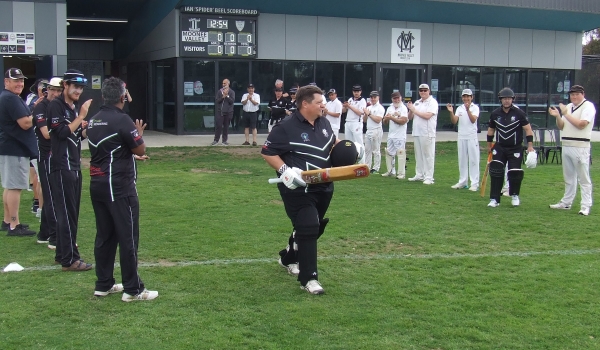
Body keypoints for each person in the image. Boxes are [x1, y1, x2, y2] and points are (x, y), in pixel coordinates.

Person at [261, 84, 338, 295]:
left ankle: (289, 257)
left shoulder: (324, 123)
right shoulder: (285, 126)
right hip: (297, 188)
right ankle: (309, 279)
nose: (324, 105)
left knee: (311, 227)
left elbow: (332, 145)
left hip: (324, 186)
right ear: (305, 104)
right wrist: (284, 170)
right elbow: (267, 152)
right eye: (319, 102)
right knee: (308, 225)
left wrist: (348, 149)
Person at [87, 77, 158, 302]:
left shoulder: (94, 120)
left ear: (102, 97)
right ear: (122, 97)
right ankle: (132, 289)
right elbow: (139, 147)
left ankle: (103, 284)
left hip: (97, 184)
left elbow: (113, 149)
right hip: (118, 186)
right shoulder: (122, 120)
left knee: (105, 236)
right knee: (128, 237)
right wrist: (138, 134)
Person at [47, 69, 93, 270]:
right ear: (65, 85)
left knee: (72, 213)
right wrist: (80, 116)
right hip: (61, 166)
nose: (78, 91)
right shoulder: (55, 106)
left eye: (81, 87)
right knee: (66, 214)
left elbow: (74, 136)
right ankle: (70, 259)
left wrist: (85, 128)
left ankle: (62, 253)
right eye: (75, 86)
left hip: (74, 165)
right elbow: (62, 132)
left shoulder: (71, 108)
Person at [0, 68, 38, 236]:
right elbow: (25, 124)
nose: (20, 83)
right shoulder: (10, 99)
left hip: (9, 147)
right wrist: (37, 115)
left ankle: (8, 221)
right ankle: (15, 225)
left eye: (21, 80)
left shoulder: (7, 97)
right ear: (6, 81)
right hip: (15, 148)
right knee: (15, 187)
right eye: (15, 80)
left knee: (9, 186)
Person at [548, 84, 596, 216]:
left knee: (583, 178)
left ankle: (585, 206)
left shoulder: (588, 106)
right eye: (572, 94)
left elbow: (582, 125)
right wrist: (558, 116)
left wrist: (565, 114)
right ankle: (566, 202)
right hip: (567, 144)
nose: (574, 97)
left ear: (583, 94)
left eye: (577, 94)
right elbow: (562, 126)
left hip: (580, 146)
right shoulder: (569, 107)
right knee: (569, 177)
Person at [486, 87, 534, 208]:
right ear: (500, 100)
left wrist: (530, 146)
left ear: (512, 99)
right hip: (499, 147)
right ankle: (494, 199)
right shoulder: (495, 114)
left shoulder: (519, 113)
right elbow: (491, 130)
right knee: (496, 171)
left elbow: (528, 129)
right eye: (504, 99)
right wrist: (489, 145)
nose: (506, 101)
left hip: (515, 148)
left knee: (514, 173)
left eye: (509, 99)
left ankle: (514, 195)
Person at [32, 77, 63, 248]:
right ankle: (54, 237)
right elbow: (46, 133)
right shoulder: (42, 107)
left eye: (59, 91)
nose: (56, 93)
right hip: (46, 156)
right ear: (47, 90)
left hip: (56, 155)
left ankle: (44, 233)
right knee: (52, 196)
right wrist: (67, 131)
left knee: (53, 194)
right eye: (53, 90)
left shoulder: (59, 107)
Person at [447, 88, 480, 191]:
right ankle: (463, 181)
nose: (466, 98)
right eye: (464, 96)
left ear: (471, 97)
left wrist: (468, 110)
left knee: (474, 160)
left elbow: (473, 119)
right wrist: (451, 112)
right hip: (461, 137)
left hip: (472, 137)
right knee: (462, 160)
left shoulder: (475, 108)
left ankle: (474, 183)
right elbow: (454, 121)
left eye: (468, 96)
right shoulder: (459, 108)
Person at [407, 83, 439, 185]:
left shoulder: (432, 102)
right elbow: (410, 117)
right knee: (419, 155)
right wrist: (411, 110)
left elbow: (427, 116)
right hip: (417, 132)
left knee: (428, 155)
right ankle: (419, 174)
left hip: (427, 132)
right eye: (421, 90)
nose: (423, 92)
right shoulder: (417, 102)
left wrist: (414, 110)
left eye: (425, 90)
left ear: (429, 91)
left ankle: (429, 177)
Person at [382, 91, 409, 179]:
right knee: (389, 153)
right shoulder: (390, 108)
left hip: (400, 135)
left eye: (398, 98)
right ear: (392, 99)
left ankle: (401, 173)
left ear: (400, 98)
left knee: (400, 153)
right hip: (391, 134)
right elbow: (385, 122)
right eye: (395, 98)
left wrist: (392, 118)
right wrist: (386, 118)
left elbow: (403, 121)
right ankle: (390, 171)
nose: (397, 100)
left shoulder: (403, 108)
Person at [362, 91, 385, 174]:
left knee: (376, 150)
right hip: (369, 130)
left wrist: (369, 114)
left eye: (374, 97)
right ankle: (367, 166)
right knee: (367, 150)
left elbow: (378, 120)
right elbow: (364, 120)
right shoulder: (369, 107)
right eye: (372, 97)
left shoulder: (380, 108)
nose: (373, 99)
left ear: (378, 97)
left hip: (376, 130)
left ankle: (376, 167)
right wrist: (365, 114)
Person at [343, 84, 366, 150]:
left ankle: (362, 159)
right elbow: (344, 111)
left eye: (357, 91)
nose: (356, 93)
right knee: (348, 143)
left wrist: (350, 106)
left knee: (358, 143)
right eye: (355, 91)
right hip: (348, 122)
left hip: (356, 123)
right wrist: (345, 106)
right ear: (353, 92)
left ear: (360, 92)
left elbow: (360, 113)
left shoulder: (362, 100)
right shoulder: (350, 99)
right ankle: (350, 158)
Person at [212, 78, 235, 145]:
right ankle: (216, 140)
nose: (223, 85)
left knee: (226, 127)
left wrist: (227, 96)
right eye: (223, 83)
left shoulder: (232, 92)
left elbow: (232, 101)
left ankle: (224, 141)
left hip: (228, 112)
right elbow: (217, 101)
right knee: (218, 126)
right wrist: (222, 97)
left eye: (225, 83)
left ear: (228, 84)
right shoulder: (219, 91)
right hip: (220, 112)